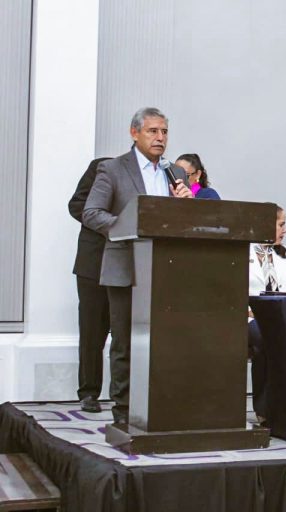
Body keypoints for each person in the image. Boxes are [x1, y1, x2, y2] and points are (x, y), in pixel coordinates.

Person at [82, 107, 192, 424]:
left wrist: (187, 207)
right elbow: (92, 213)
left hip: (166, 269)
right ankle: (123, 409)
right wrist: (130, 226)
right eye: (152, 131)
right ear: (135, 133)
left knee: (164, 341)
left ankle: (161, 404)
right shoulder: (113, 169)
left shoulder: (176, 173)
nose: (160, 138)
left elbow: (181, 224)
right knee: (125, 342)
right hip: (125, 267)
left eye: (164, 132)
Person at [248, 206, 286, 418]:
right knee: (268, 337)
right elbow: (230, 292)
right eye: (281, 225)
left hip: (282, 316)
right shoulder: (241, 252)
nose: (285, 230)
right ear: (264, 225)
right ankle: (264, 409)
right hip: (249, 318)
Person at [68, 157, 113, 413]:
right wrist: (107, 221)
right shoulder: (101, 166)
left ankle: (125, 395)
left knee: (127, 334)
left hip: (130, 263)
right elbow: (76, 204)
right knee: (92, 331)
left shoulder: (153, 176)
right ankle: (88, 392)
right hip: (93, 262)